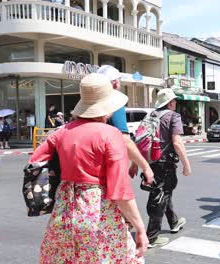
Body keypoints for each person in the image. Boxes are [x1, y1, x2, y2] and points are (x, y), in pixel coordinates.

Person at [29, 73, 148, 263]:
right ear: (107, 107)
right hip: (98, 214)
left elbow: (35, 162)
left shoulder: (61, 132)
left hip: (65, 211)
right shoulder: (111, 134)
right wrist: (140, 228)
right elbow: (119, 191)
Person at [145, 88, 191, 248]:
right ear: (170, 102)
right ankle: (151, 236)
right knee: (161, 195)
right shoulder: (173, 116)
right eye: (175, 101)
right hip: (165, 163)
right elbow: (177, 143)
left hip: (150, 161)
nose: (176, 103)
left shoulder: (150, 115)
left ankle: (174, 222)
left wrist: (136, 164)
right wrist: (186, 164)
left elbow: (142, 140)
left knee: (164, 192)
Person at [97, 65, 154, 184]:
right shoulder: (114, 102)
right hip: (110, 164)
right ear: (115, 83)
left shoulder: (92, 103)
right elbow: (125, 140)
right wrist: (145, 166)